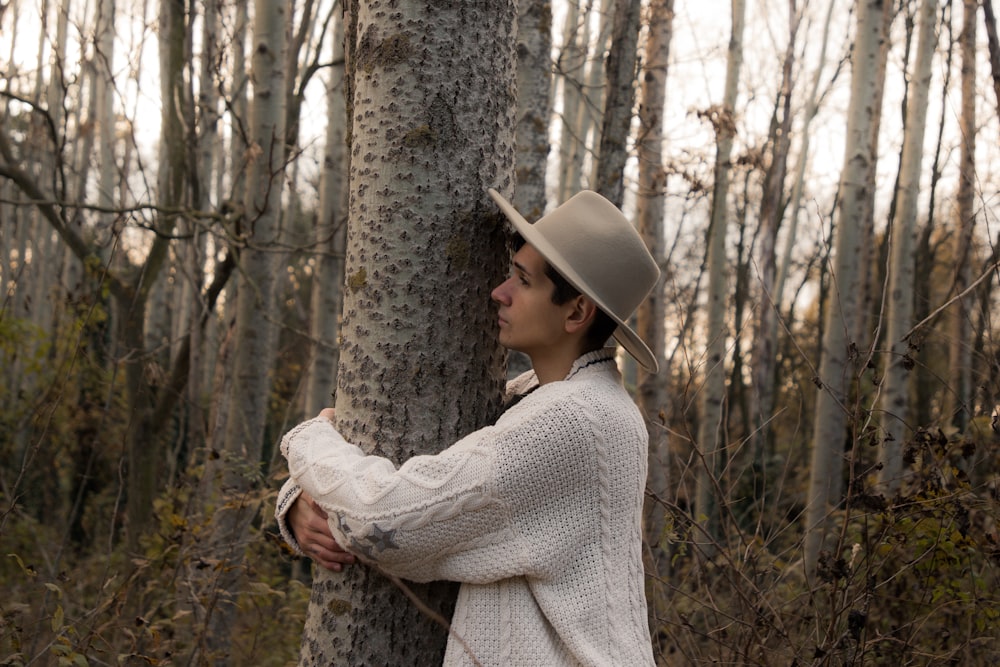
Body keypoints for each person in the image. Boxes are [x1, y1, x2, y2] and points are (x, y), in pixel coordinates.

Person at [275, 188, 660, 666]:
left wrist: (308, 438)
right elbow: (447, 481)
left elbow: (387, 520)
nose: (499, 291)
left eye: (522, 280)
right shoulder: (566, 402)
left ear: (577, 312)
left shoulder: (572, 421)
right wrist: (298, 499)